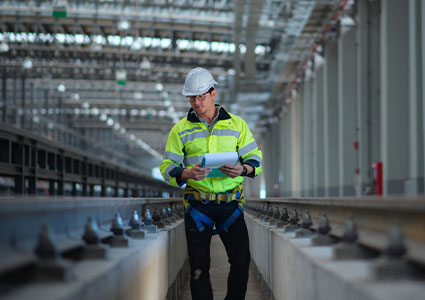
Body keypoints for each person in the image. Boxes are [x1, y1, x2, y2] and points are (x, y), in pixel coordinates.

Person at [160, 67, 262, 300]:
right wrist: (187, 173)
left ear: (213, 93)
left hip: (230, 205)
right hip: (198, 207)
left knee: (240, 262)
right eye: (191, 97)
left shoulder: (237, 125)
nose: (196, 102)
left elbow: (255, 158)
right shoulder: (180, 130)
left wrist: (243, 168)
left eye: (201, 96)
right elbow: (167, 167)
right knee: (198, 268)